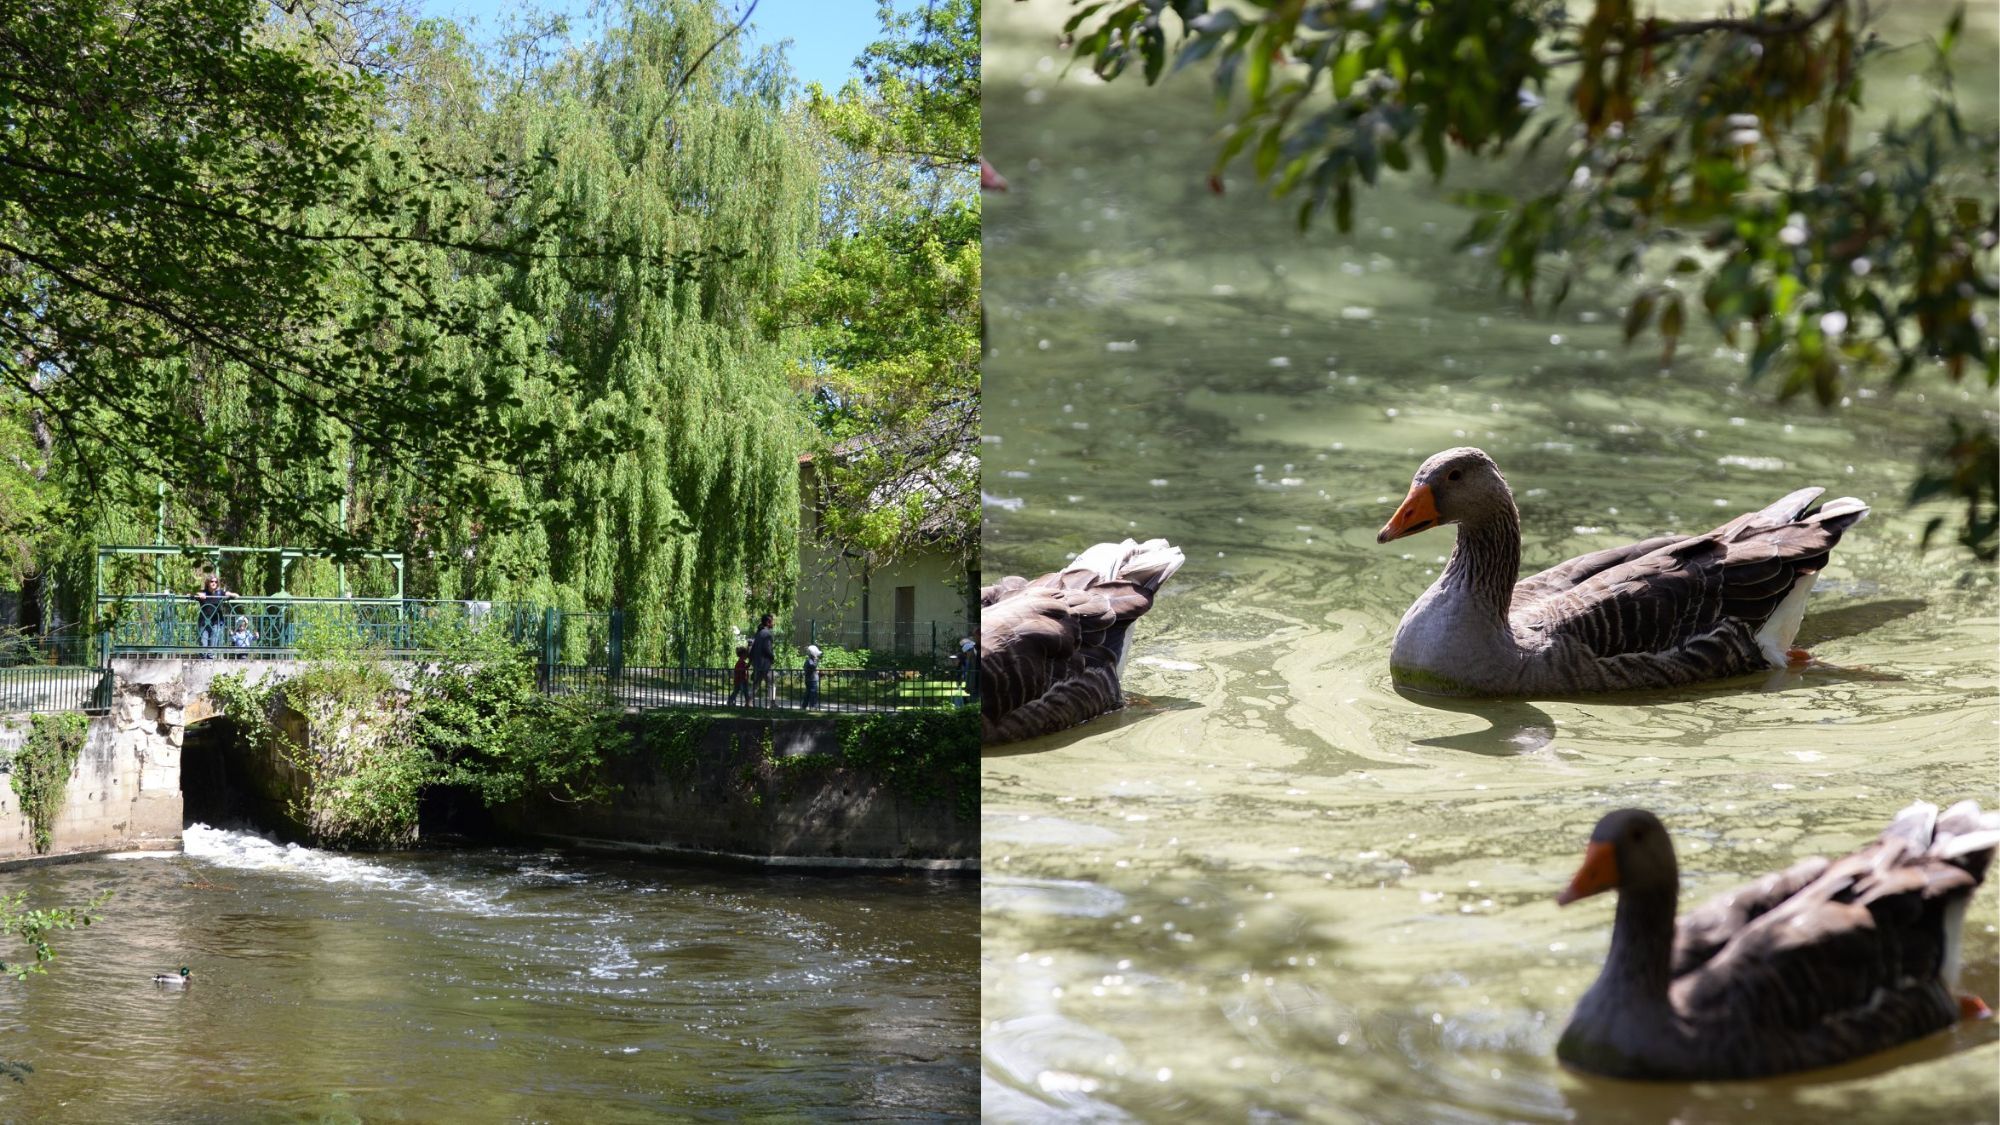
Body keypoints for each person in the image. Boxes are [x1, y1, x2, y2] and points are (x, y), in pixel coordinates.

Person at [191, 576, 235, 657]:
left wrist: (230, 594)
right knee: (203, 645)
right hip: (204, 622)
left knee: (213, 645)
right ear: (208, 583)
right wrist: (198, 594)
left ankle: (210, 663)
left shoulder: (220, 593)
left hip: (216, 622)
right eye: (212, 581)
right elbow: (189, 595)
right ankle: (203, 662)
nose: (214, 583)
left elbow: (235, 596)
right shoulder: (203, 592)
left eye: (216, 582)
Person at [749, 613, 776, 707]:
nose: (773, 623)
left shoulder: (758, 633)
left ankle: (749, 702)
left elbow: (753, 648)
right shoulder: (767, 634)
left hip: (757, 664)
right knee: (771, 684)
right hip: (766, 665)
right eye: (772, 621)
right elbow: (767, 649)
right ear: (768, 622)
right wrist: (772, 657)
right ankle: (772, 703)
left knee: (755, 684)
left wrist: (751, 661)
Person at [802, 644, 821, 710]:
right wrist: (816, 659)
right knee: (813, 692)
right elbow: (813, 666)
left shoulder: (809, 660)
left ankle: (804, 705)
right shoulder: (810, 660)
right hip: (812, 679)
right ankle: (812, 706)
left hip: (810, 679)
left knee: (808, 692)